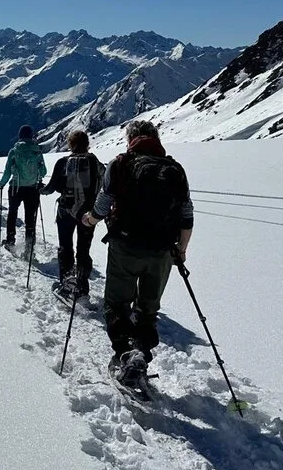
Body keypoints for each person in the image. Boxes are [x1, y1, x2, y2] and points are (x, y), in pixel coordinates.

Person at [82, 120, 194, 389]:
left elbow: (103, 203)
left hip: (125, 246)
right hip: (162, 251)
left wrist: (90, 220)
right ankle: (141, 354)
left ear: (130, 140)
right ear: (156, 139)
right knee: (148, 309)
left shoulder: (120, 164)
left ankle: (125, 353)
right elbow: (186, 215)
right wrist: (181, 249)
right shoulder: (175, 170)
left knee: (117, 303)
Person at [41, 129, 103, 298]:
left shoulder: (62, 162)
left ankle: (67, 283)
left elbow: (51, 187)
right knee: (83, 249)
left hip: (65, 211)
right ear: (87, 144)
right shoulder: (94, 162)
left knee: (65, 247)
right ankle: (82, 286)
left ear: (70, 144)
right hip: (88, 214)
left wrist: (41, 189)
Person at [0, 125, 47, 253]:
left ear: (20, 136)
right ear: (31, 135)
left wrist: (1, 184)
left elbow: (7, 172)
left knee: (12, 214)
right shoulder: (37, 151)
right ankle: (29, 246)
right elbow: (44, 171)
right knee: (30, 218)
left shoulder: (14, 151)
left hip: (15, 189)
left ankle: (10, 240)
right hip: (32, 189)